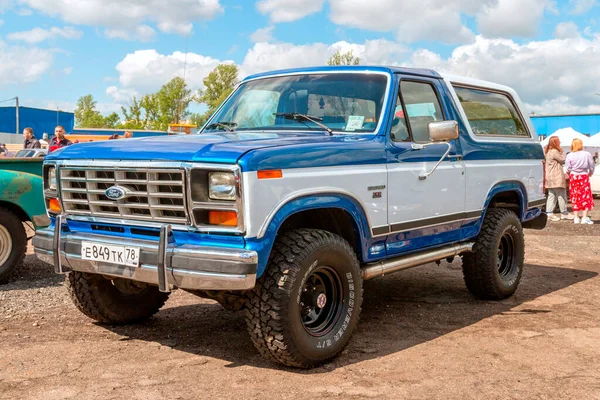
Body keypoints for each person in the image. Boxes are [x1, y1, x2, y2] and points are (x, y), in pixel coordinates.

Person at [566, 138, 595, 224]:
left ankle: (576, 217)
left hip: (574, 176)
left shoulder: (570, 155)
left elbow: (568, 167)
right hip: (584, 176)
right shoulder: (587, 154)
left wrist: (569, 172)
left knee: (575, 196)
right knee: (585, 196)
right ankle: (584, 217)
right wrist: (590, 172)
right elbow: (591, 165)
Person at [544, 136, 574, 221]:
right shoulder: (555, 151)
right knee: (562, 195)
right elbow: (564, 160)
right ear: (555, 143)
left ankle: (549, 213)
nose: (560, 142)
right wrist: (562, 151)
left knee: (551, 195)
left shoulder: (548, 151)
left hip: (549, 176)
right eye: (559, 141)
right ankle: (564, 213)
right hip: (556, 176)